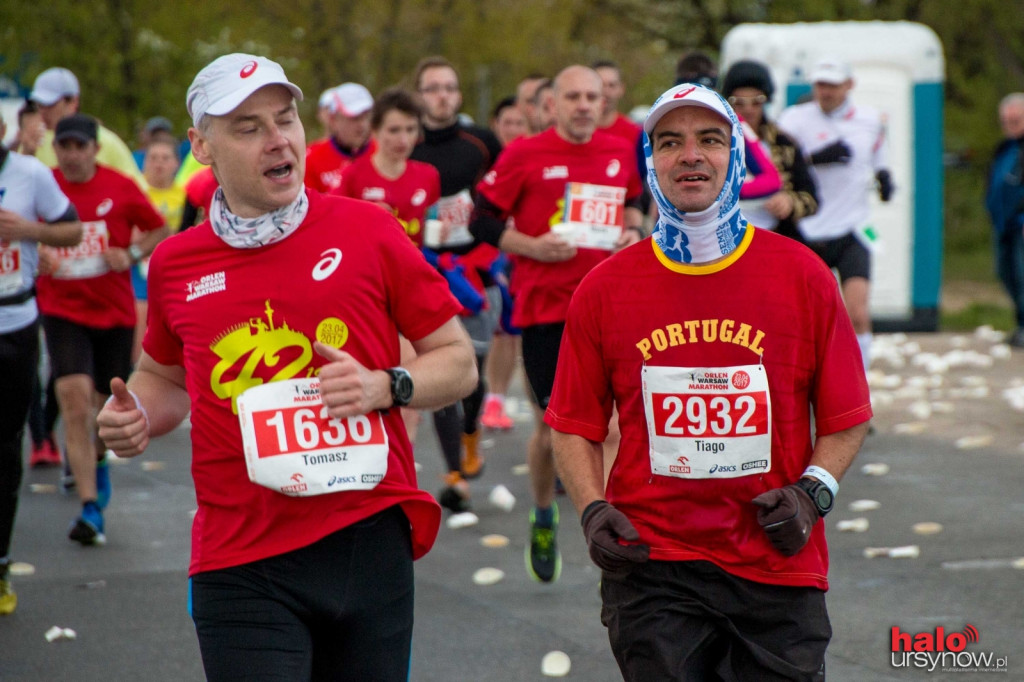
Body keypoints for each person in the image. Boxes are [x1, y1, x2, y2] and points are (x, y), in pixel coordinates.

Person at [96, 53, 476, 680]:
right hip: (240, 556)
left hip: (366, 537)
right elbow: (163, 378)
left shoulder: (368, 230)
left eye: (286, 120)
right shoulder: (175, 263)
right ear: (202, 146)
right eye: (248, 127)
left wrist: (386, 385)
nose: (278, 141)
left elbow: (458, 361)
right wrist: (134, 416)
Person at [547, 83, 872, 680]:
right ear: (651, 163)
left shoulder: (802, 275)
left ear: (738, 157)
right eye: (669, 142)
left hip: (777, 566)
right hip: (654, 570)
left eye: (710, 140)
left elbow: (848, 418)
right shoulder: (605, 287)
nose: (690, 155)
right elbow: (572, 426)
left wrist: (813, 493)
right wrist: (593, 511)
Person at [470, 65, 645, 583]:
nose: (585, 105)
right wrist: (531, 246)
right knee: (554, 434)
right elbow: (481, 218)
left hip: (611, 310)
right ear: (552, 105)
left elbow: (634, 198)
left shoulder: (618, 149)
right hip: (547, 311)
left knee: (614, 428)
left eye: (592, 96)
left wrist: (633, 231)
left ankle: (616, 532)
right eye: (573, 97)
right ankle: (544, 513)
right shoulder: (525, 154)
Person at [36, 114, 169, 545]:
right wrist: (36, 252)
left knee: (100, 409)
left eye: (80, 146)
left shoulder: (119, 186)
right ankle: (90, 509)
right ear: (56, 149)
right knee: (73, 402)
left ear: (95, 149)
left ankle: (97, 461)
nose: (72, 155)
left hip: (113, 313)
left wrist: (129, 253)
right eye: (65, 146)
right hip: (61, 309)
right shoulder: (45, 184)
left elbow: (158, 229)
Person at [409, 56, 505, 511]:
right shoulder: (408, 145)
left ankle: (470, 433)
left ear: (459, 95)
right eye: (432, 89)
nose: (441, 96)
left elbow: (502, 203)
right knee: (441, 366)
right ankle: (453, 472)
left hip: (476, 269)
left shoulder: (482, 143)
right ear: (420, 96)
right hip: (427, 274)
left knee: (475, 372)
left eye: (449, 87)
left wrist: (487, 254)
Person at [0, 118, 82, 615]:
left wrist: (27, 231)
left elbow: (72, 229)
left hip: (15, 325)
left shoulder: (31, 174)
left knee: (6, 447)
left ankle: (1, 561)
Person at [335, 87, 442, 458]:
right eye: (394, 130)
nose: (403, 139)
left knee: (408, 377)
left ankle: (402, 457)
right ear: (375, 132)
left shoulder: (428, 176)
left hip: (410, 290)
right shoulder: (355, 176)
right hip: (366, 293)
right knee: (369, 373)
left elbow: (435, 232)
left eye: (411, 130)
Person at [777, 57, 893, 376]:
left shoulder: (870, 120)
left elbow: (879, 155)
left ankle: (860, 391)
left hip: (852, 229)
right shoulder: (794, 119)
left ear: (849, 85)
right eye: (819, 84)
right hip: (808, 231)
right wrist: (813, 159)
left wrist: (884, 177)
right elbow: (778, 166)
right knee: (804, 319)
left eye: (832, 85)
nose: (824, 92)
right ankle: (807, 389)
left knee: (857, 313)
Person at [721, 59, 818, 239]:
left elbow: (812, 198)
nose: (748, 109)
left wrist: (789, 202)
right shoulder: (714, 141)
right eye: (739, 102)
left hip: (775, 234)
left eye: (756, 102)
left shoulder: (784, 143)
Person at [28, 67, 144, 186]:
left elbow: (136, 189)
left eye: (50, 104)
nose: (43, 111)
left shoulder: (106, 140)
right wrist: (27, 152)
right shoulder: (33, 142)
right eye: (39, 104)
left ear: (73, 101)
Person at [132, 139, 186, 363]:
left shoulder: (185, 196)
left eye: (165, 158)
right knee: (141, 320)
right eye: (153, 158)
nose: (159, 164)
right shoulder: (135, 192)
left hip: (174, 270)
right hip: (139, 269)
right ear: (144, 163)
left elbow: (188, 236)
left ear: (176, 163)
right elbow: (132, 237)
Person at [985, 93, 1024, 348]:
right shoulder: (1004, 148)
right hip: (1004, 225)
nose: (1009, 125)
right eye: (1005, 121)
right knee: (1007, 274)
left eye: (1015, 120)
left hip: (1021, 224)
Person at [304, 82, 374, 193]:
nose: (362, 125)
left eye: (366, 116)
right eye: (354, 118)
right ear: (333, 120)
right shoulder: (311, 158)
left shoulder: (384, 151)